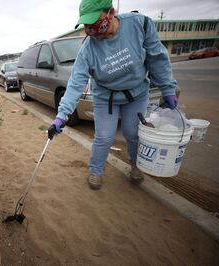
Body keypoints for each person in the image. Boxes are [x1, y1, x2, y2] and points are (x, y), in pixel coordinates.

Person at [48, 0, 178, 190]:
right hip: (105, 98)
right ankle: (96, 171)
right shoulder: (88, 50)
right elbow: (76, 83)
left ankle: (135, 165)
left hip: (136, 94)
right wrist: (62, 116)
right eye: (87, 26)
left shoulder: (139, 24)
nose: (91, 30)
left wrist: (168, 88)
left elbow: (157, 58)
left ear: (110, 12)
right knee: (104, 137)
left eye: (95, 23)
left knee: (133, 133)